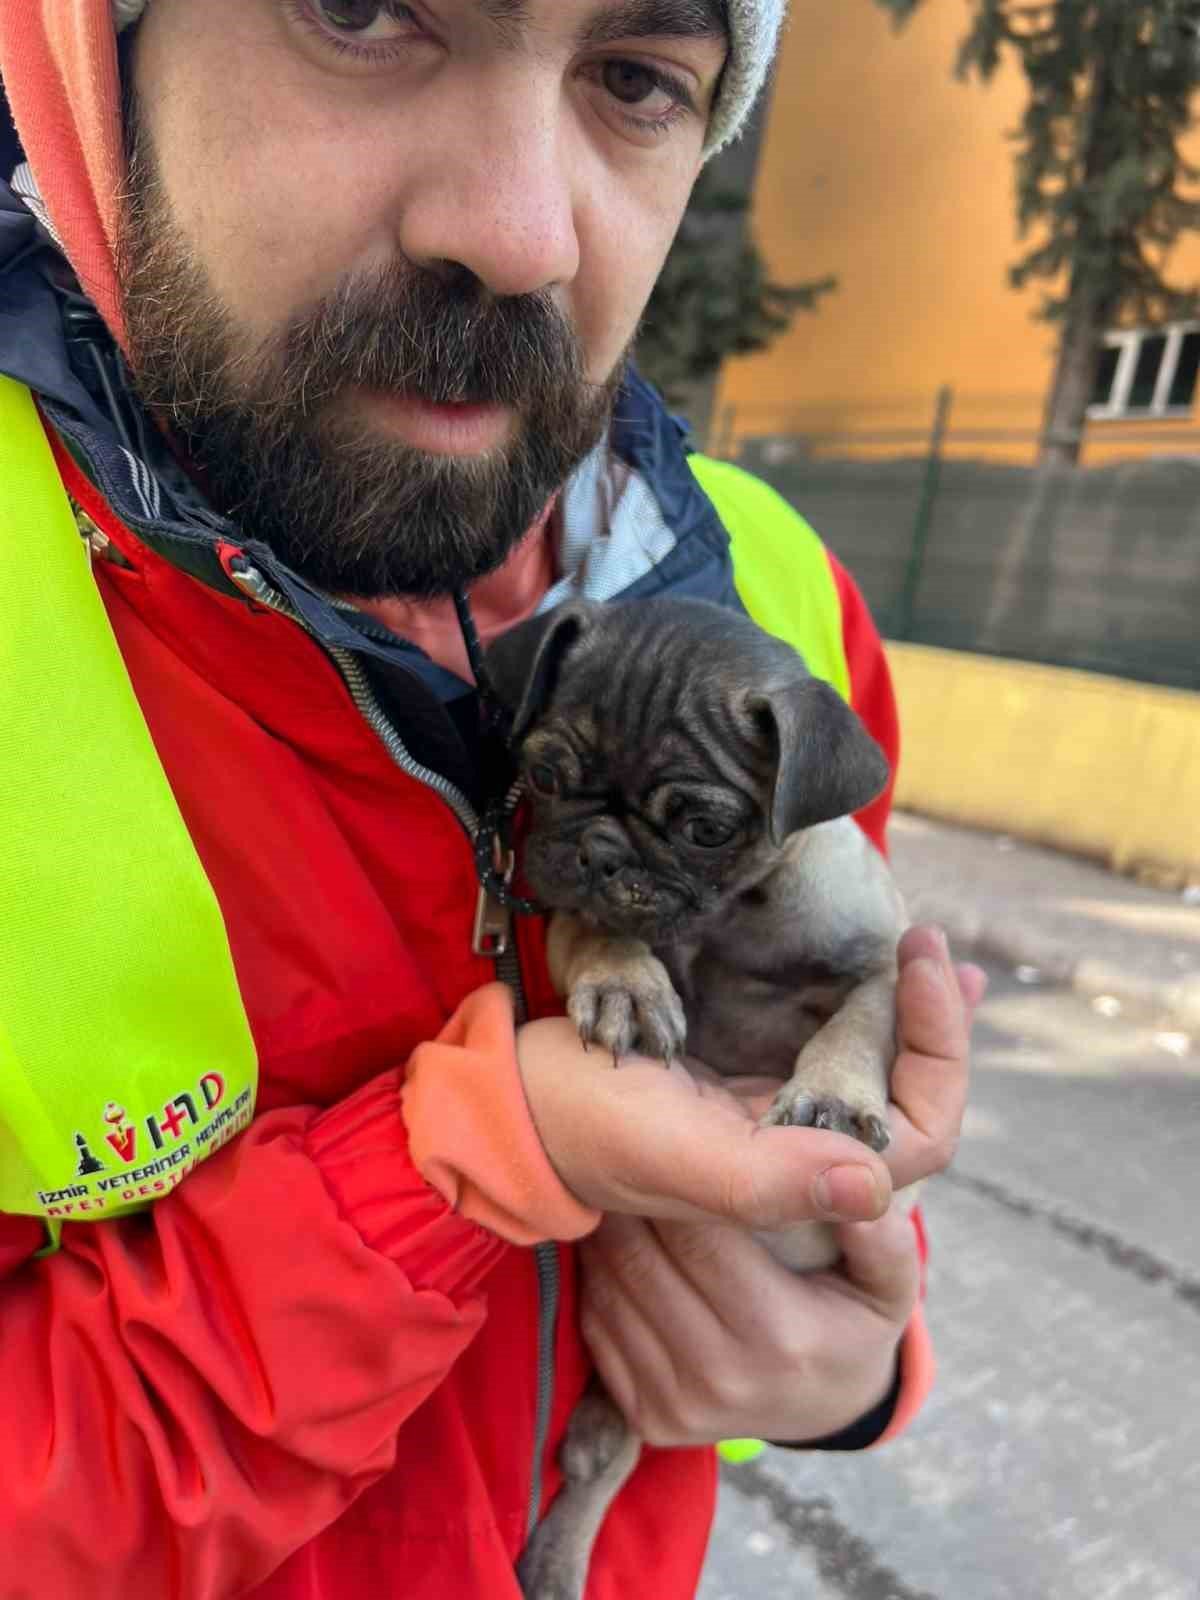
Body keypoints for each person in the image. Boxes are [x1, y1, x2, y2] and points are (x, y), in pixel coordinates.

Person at [0, 3, 984, 1596]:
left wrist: (838, 1375)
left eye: (640, 79)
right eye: (363, 11)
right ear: (85, 45)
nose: (521, 233)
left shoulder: (782, 597)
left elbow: (806, 1152)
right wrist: (465, 1157)